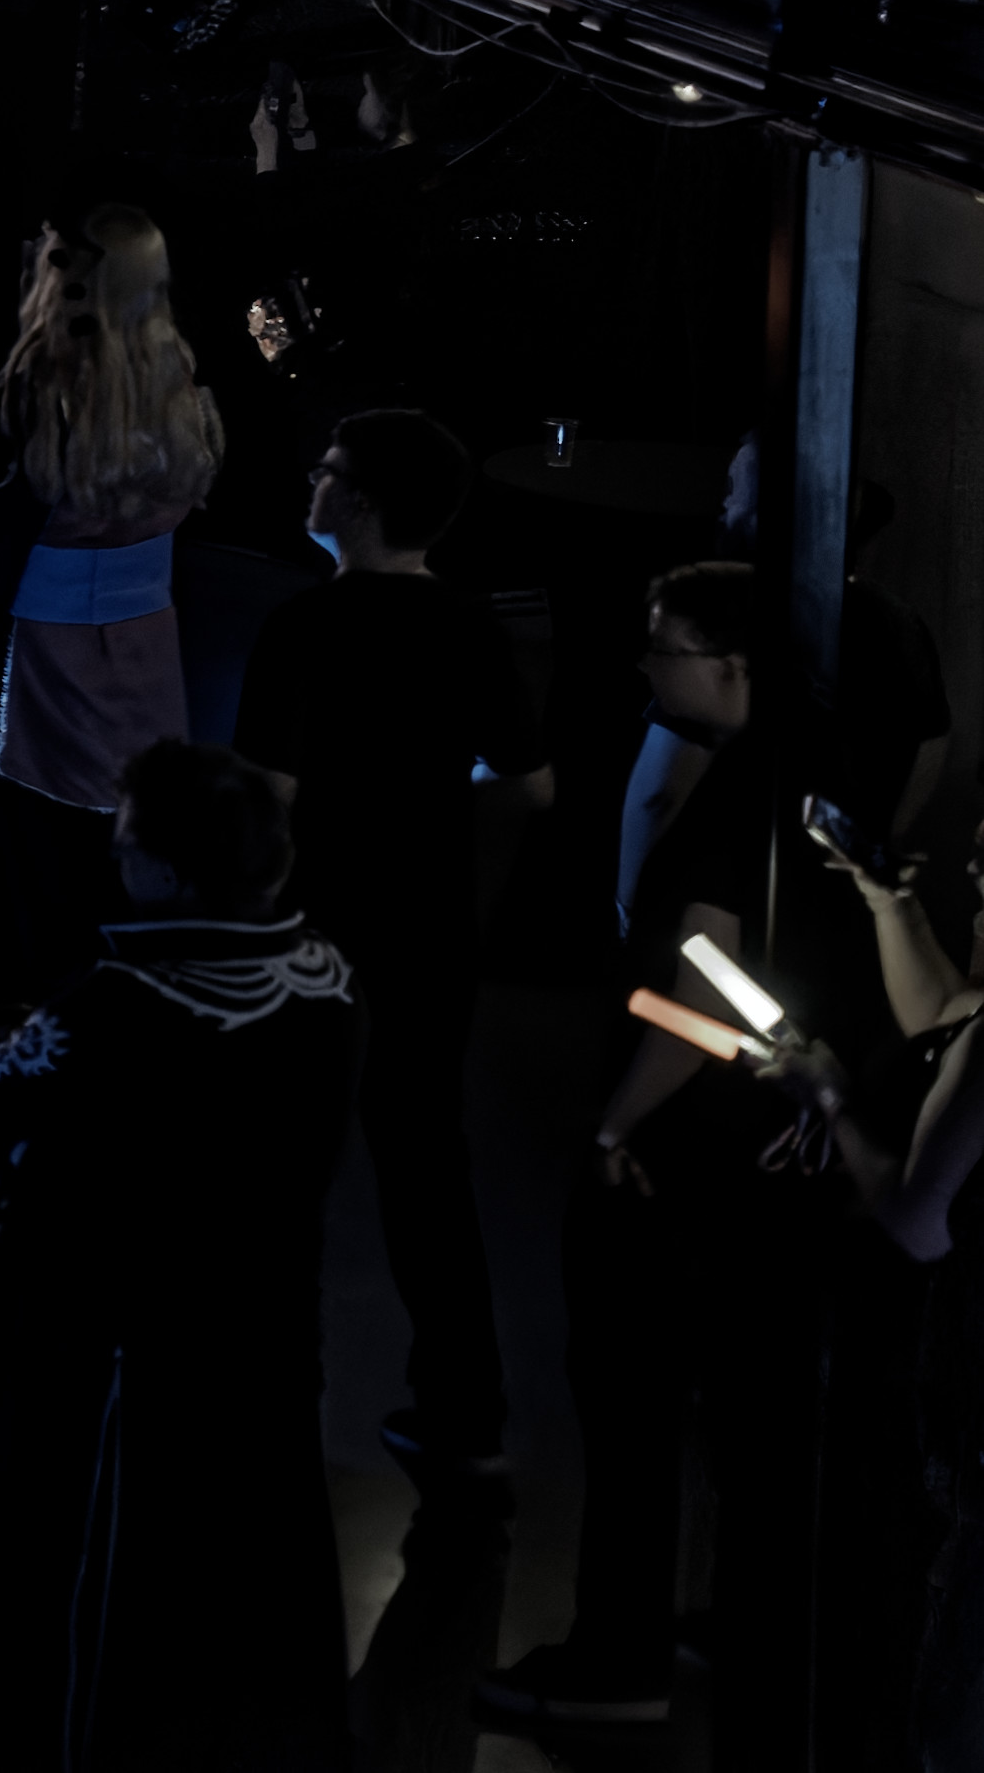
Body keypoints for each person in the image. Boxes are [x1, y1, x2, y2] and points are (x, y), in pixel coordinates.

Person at [0, 742, 360, 1768]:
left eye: (125, 844)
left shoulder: (116, 1003)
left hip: (123, 1359)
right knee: (253, 1585)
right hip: (268, 1332)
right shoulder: (329, 978)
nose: (114, 859)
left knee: (97, 1590)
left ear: (168, 872)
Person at [493, 559, 836, 1744]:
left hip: (677, 1155)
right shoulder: (807, 766)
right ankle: (741, 1629)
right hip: (763, 1149)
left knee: (630, 1402)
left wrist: (616, 1122)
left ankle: (616, 1655)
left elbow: (704, 989)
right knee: (747, 1413)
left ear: (731, 666)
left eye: (665, 645)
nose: (646, 664)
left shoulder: (732, 795)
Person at [229, 405, 547, 1481]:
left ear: (357, 503)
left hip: (309, 929)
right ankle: (466, 1408)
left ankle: (268, 1400)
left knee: (280, 1164)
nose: (309, 484)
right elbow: (529, 784)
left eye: (325, 471)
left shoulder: (299, 627)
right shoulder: (472, 625)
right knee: (425, 1167)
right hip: (428, 923)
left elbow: (267, 798)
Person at [0, 206, 218, 985]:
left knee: (48, 862)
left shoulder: (39, 387)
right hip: (147, 646)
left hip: (48, 657)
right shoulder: (176, 376)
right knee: (132, 832)